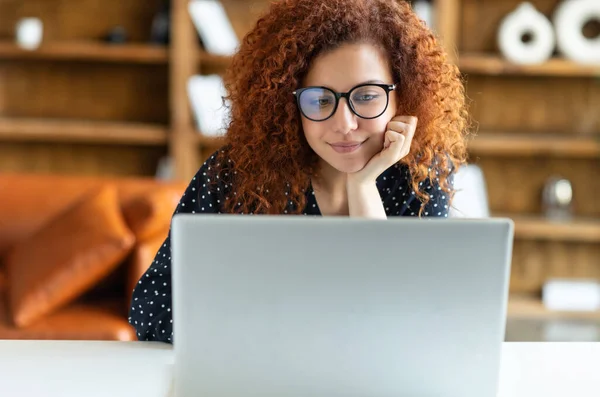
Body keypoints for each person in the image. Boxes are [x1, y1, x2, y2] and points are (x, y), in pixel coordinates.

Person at [129, 0, 469, 343]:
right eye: (320, 100)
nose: (345, 124)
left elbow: (409, 322)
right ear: (290, 106)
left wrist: (363, 185)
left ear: (404, 95)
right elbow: (151, 309)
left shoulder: (421, 176)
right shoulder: (234, 174)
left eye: (366, 96)